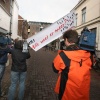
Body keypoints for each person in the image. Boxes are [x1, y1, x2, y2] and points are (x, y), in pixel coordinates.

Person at [52, 29, 92, 100]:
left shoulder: (63, 55)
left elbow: (55, 69)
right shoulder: (88, 55)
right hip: (83, 94)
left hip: (67, 95)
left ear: (66, 40)